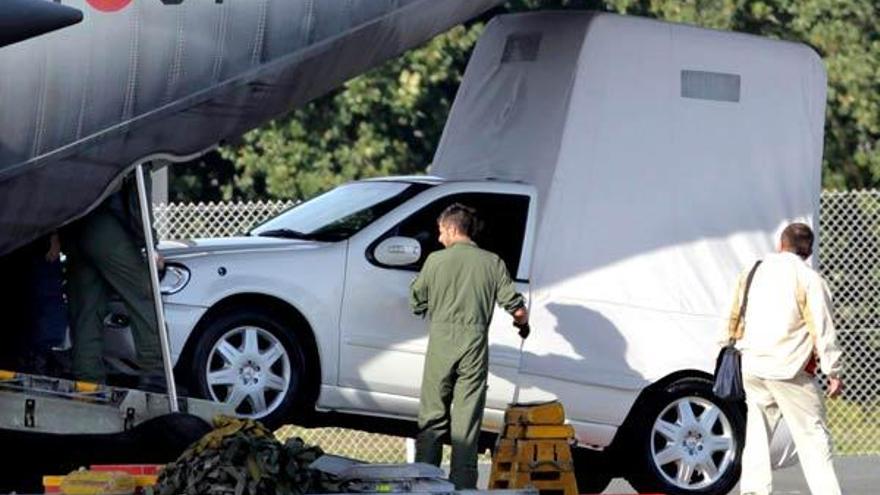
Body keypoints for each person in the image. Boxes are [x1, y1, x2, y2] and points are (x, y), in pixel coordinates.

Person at [409, 203, 529, 489]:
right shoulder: (492, 262)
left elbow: (416, 301)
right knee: (466, 422)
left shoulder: (435, 262)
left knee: (432, 418)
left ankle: (425, 482)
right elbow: (517, 309)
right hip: (474, 346)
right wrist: (522, 324)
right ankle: (463, 484)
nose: (439, 239)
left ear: (452, 228)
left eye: (441, 232)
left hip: (441, 343)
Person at [722, 223, 843, 495]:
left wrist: (727, 344)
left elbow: (733, 314)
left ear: (780, 244)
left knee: (757, 435)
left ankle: (754, 491)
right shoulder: (809, 279)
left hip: (752, 365)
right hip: (790, 371)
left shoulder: (753, 271)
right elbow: (822, 328)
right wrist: (832, 370)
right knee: (813, 437)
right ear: (808, 250)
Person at [63, 170, 165, 389]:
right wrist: (149, 243)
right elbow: (139, 197)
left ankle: (88, 385)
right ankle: (155, 375)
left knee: (86, 312)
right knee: (145, 295)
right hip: (107, 226)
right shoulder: (136, 140)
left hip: (74, 226)